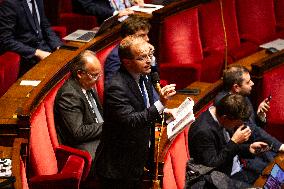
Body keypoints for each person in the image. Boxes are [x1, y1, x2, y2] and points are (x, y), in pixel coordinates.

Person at [95, 36, 176, 188]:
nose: (148, 61)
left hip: (138, 157)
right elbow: (132, 120)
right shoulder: (116, 87)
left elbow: (144, 107)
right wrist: (161, 104)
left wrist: (165, 112)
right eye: (142, 57)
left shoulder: (144, 75)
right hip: (119, 166)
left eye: (149, 55)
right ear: (127, 62)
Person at [215, 65, 284, 174]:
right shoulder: (225, 104)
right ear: (236, 87)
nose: (252, 83)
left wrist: (260, 115)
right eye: (248, 82)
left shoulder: (243, 96)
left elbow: (252, 126)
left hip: (254, 146)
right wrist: (279, 145)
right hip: (242, 155)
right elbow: (251, 129)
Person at [189, 94, 270, 185]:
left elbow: (227, 148)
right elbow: (211, 165)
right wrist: (234, 142)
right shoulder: (203, 132)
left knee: (271, 171)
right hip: (223, 178)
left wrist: (248, 148)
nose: (238, 126)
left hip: (237, 165)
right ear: (225, 117)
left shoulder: (222, 116)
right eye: (236, 124)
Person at [54, 50, 103, 171]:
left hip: (97, 136)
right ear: (80, 73)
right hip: (82, 146)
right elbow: (77, 133)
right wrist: (108, 126)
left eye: (99, 75)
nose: (97, 80)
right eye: (94, 75)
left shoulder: (87, 83)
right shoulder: (69, 95)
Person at [0, 0, 62, 76]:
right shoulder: (10, 3)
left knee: (72, 66)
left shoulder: (39, 1)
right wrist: (37, 53)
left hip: (45, 50)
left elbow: (45, 26)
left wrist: (57, 45)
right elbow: (6, 40)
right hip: (26, 57)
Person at [104, 14, 153, 86]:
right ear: (129, 37)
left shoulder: (145, 49)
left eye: (147, 34)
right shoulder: (115, 56)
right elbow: (112, 85)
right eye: (142, 35)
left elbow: (150, 79)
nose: (147, 39)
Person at [72, 0, 142, 24]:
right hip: (105, 19)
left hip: (128, 15)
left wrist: (132, 1)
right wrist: (114, 13)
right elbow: (87, 6)